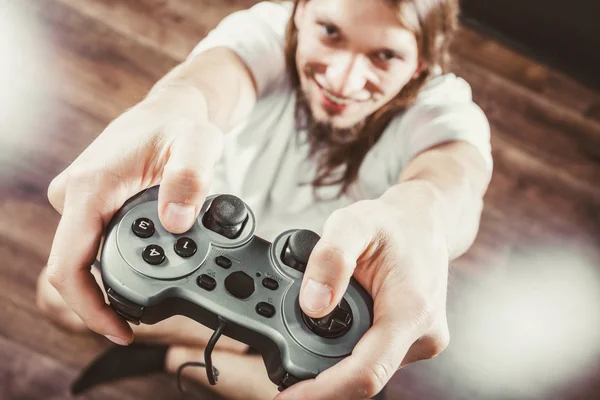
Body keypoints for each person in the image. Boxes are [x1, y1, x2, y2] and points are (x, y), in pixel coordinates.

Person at [36, 0, 492, 399]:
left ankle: (171, 358)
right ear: (300, 13)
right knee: (57, 295)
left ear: (417, 66)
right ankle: (240, 346)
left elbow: (452, 179)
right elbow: (207, 83)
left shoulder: (442, 107)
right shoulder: (266, 34)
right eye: (329, 32)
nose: (343, 79)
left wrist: (423, 215)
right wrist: (169, 107)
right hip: (195, 254)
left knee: (347, 384)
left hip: (315, 301)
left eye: (385, 55)